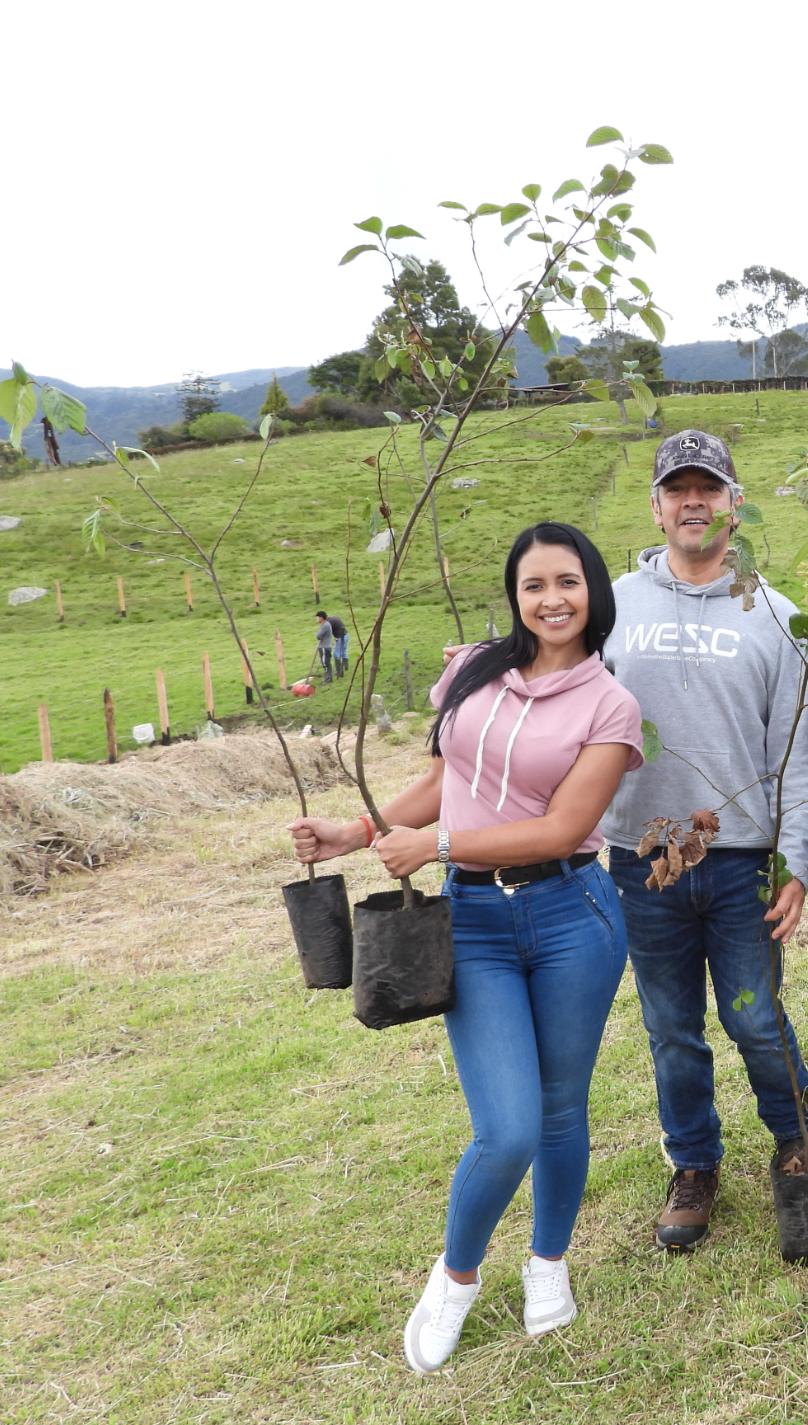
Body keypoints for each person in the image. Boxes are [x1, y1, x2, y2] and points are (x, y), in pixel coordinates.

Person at [288, 521, 643, 1371]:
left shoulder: (612, 706)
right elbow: (451, 778)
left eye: (568, 581)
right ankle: (456, 1275)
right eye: (533, 584)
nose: (551, 599)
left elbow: (564, 825)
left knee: (561, 1108)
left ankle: (549, 1263)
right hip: (475, 923)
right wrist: (355, 831)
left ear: (594, 591)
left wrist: (440, 846)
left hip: (573, 917)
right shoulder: (475, 669)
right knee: (508, 1125)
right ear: (515, 595)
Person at [602, 428, 808, 1252]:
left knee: (755, 1017)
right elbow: (551, 678)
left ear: (735, 499)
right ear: (657, 505)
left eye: (709, 486)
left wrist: (796, 861)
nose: (692, 501)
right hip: (640, 860)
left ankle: (797, 1141)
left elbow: (795, 754)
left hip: (739, 867)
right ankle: (694, 1165)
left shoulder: (774, 612)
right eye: (676, 488)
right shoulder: (614, 604)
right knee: (671, 1027)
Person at [314, 611, 336, 681]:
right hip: (325, 646)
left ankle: (328, 679)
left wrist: (318, 636)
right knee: (325, 663)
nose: (317, 619)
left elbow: (318, 635)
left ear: (321, 618)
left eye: (318, 617)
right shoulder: (325, 624)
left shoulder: (326, 625)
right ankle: (327, 678)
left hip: (324, 647)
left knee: (325, 663)